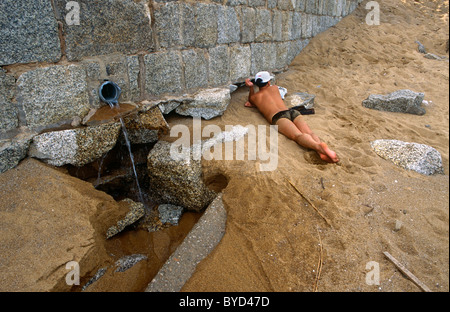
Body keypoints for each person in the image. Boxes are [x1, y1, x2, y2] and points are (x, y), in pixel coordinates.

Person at [245, 71, 339, 163]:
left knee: (298, 136)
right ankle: (320, 151)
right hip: (292, 112)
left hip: (279, 117)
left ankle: (318, 147)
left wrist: (251, 88)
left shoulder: (255, 97)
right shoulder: (275, 88)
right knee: (309, 132)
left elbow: (250, 101)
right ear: (269, 82)